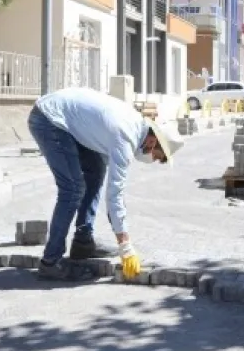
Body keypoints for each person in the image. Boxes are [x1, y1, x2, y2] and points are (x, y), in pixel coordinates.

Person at [27, 87, 184, 281]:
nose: (154, 160)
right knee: (73, 188)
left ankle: (83, 243)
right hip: (49, 119)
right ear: (152, 142)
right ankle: (50, 262)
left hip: (64, 119)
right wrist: (125, 245)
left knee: (95, 171)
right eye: (158, 157)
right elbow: (114, 195)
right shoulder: (125, 138)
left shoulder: (133, 127)